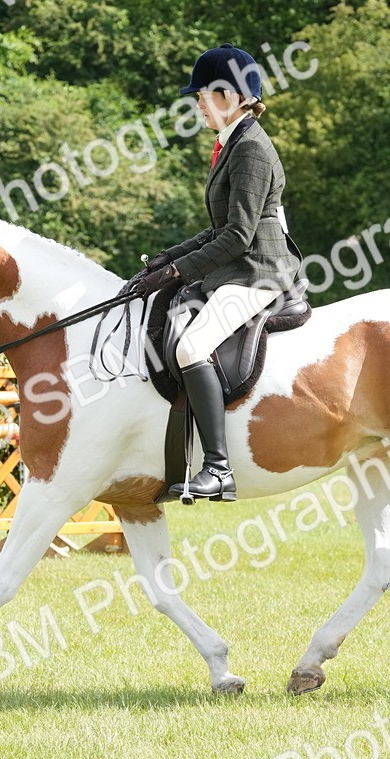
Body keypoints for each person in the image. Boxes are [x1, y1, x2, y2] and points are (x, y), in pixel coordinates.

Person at [135, 43, 302, 503]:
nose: (198, 105)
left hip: (259, 271)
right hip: (239, 265)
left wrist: (177, 272)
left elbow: (238, 237)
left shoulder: (250, 150)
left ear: (230, 96)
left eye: (203, 95)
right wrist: (166, 259)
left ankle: (219, 468)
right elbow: (217, 229)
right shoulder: (233, 143)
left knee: (191, 347)